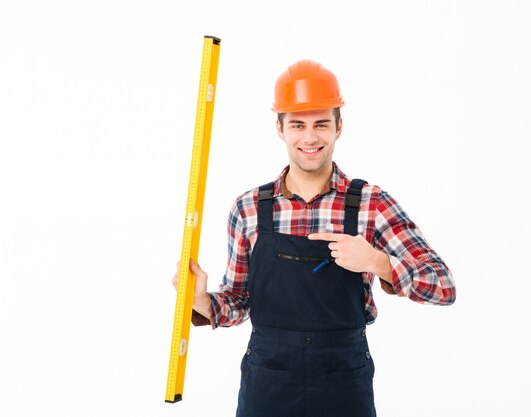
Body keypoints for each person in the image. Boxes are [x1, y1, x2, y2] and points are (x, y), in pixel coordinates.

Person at [172, 59, 456, 417]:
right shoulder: (248, 208)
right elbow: (239, 302)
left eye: (321, 124)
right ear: (280, 128)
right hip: (269, 380)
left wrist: (379, 263)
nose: (310, 137)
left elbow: (443, 287)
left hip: (342, 379)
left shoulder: (371, 204)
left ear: (339, 127)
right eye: (298, 125)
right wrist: (202, 302)